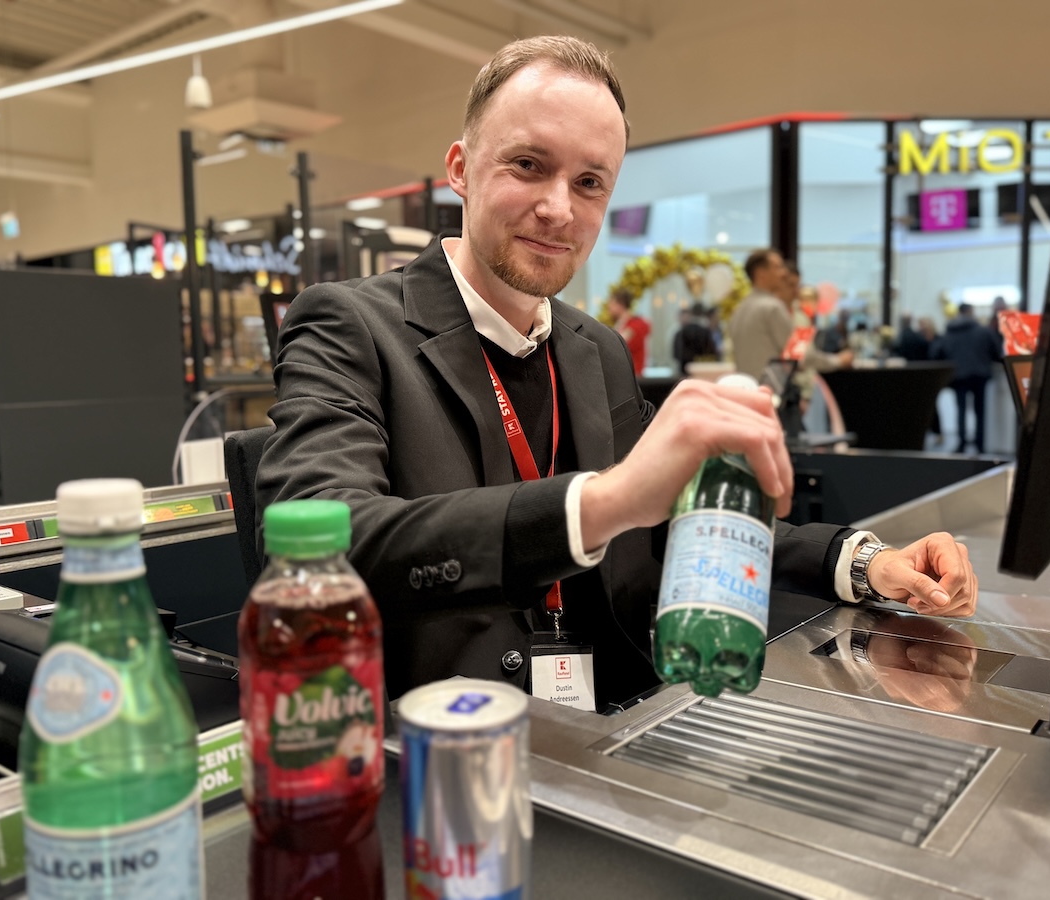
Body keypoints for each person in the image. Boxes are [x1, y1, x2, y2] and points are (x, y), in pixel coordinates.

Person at [255, 35, 979, 710]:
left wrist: (861, 561)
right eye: (529, 165)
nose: (557, 208)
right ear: (460, 169)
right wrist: (600, 502)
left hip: (619, 720)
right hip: (445, 737)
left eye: (590, 181)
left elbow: (664, 525)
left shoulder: (592, 347)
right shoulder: (348, 323)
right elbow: (330, 543)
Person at [932, 302, 1004, 454]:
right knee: (980, 411)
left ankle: (962, 443)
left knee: (961, 410)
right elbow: (997, 352)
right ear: (971, 312)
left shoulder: (950, 332)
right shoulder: (983, 331)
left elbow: (938, 352)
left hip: (959, 376)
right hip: (980, 375)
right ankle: (980, 444)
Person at [727, 248, 791, 380]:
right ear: (761, 273)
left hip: (746, 389)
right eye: (778, 267)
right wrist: (836, 360)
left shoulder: (739, 310)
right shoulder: (772, 307)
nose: (784, 273)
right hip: (770, 391)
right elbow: (794, 353)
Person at [605, 287, 650, 375]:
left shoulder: (636, 325)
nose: (609, 307)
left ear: (621, 305)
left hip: (633, 377)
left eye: (612, 303)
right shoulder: (621, 325)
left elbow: (615, 345)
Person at [672, 303, 718, 372]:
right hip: (703, 370)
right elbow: (712, 352)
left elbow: (676, 354)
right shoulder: (706, 332)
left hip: (684, 370)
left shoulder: (680, 332)